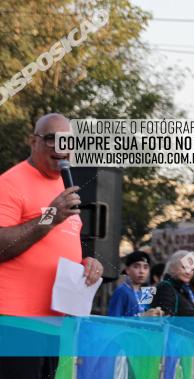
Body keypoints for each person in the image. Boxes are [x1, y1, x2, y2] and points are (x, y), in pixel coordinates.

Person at [0, 113, 104, 379]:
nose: (61, 147)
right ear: (33, 141)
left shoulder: (65, 187)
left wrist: (87, 264)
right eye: (51, 139)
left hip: (53, 323)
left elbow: (60, 242)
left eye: (67, 140)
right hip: (14, 322)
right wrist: (51, 216)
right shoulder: (10, 183)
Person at [107, 250, 163, 317]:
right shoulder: (122, 291)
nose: (142, 271)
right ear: (127, 270)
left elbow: (146, 314)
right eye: (136, 267)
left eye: (145, 267)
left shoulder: (146, 293)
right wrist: (141, 316)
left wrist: (155, 313)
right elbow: (114, 320)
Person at [152, 250, 194, 317]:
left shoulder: (182, 289)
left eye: (192, 269)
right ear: (173, 267)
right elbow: (165, 319)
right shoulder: (165, 288)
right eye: (184, 267)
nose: (188, 272)